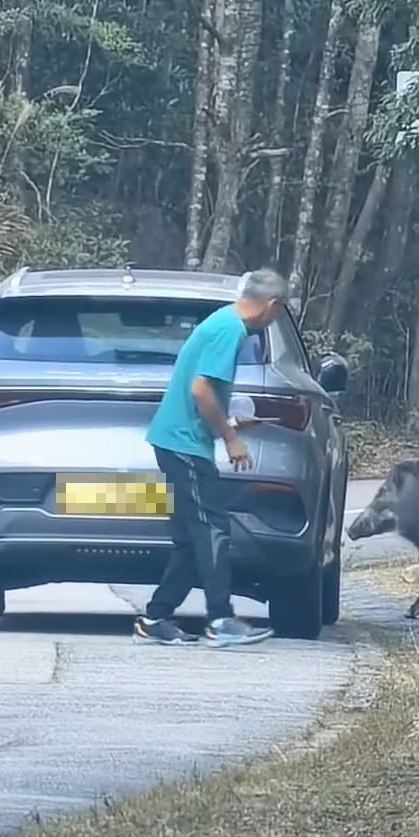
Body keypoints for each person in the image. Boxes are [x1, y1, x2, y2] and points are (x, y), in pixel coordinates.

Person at [133, 268, 287, 648]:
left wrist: (231, 420)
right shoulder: (230, 330)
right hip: (184, 445)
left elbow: (202, 393)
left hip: (178, 440)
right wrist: (231, 438)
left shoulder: (221, 322)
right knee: (213, 530)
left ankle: (154, 618)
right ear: (272, 306)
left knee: (190, 538)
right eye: (278, 313)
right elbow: (200, 389)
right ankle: (220, 619)